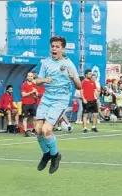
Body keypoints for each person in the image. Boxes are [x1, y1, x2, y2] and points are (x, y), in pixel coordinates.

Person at [34, 36, 81, 174]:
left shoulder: (69, 64)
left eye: (57, 46)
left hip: (60, 100)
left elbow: (79, 86)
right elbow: (37, 81)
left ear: (63, 49)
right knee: (37, 130)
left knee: (46, 130)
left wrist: (73, 78)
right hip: (46, 98)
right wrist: (44, 79)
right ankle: (47, 154)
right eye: (52, 46)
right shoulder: (46, 62)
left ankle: (55, 156)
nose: (54, 48)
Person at [21, 72, 38, 137]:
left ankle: (34, 130)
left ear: (33, 77)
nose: (30, 77)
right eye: (29, 76)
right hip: (25, 104)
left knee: (35, 118)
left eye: (31, 76)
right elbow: (23, 94)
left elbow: (36, 94)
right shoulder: (23, 85)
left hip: (33, 103)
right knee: (25, 118)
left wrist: (36, 94)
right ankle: (25, 131)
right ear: (27, 77)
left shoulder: (34, 84)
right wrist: (31, 92)